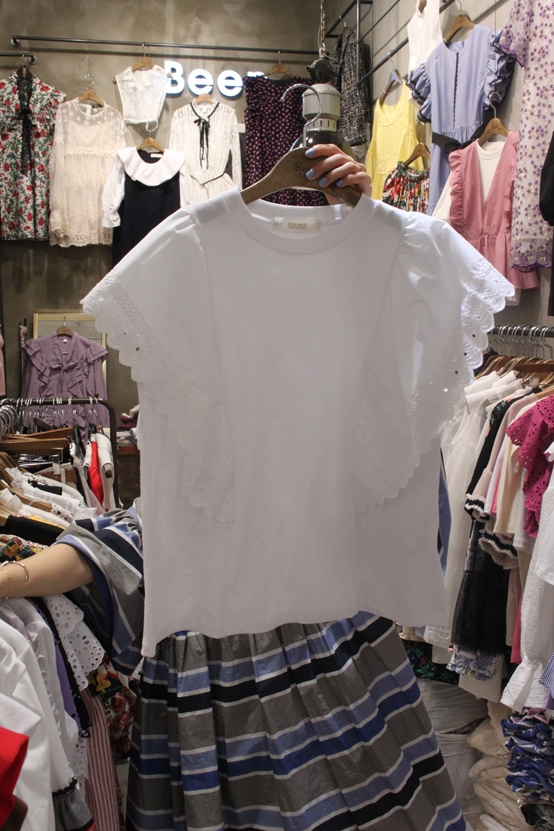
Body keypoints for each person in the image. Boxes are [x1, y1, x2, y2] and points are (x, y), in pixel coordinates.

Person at [0, 147, 467, 831]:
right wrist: (10, 577)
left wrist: (367, 226)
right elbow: (113, 548)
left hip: (321, 646)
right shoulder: (200, 424)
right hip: (242, 666)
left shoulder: (329, 416)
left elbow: (408, 363)